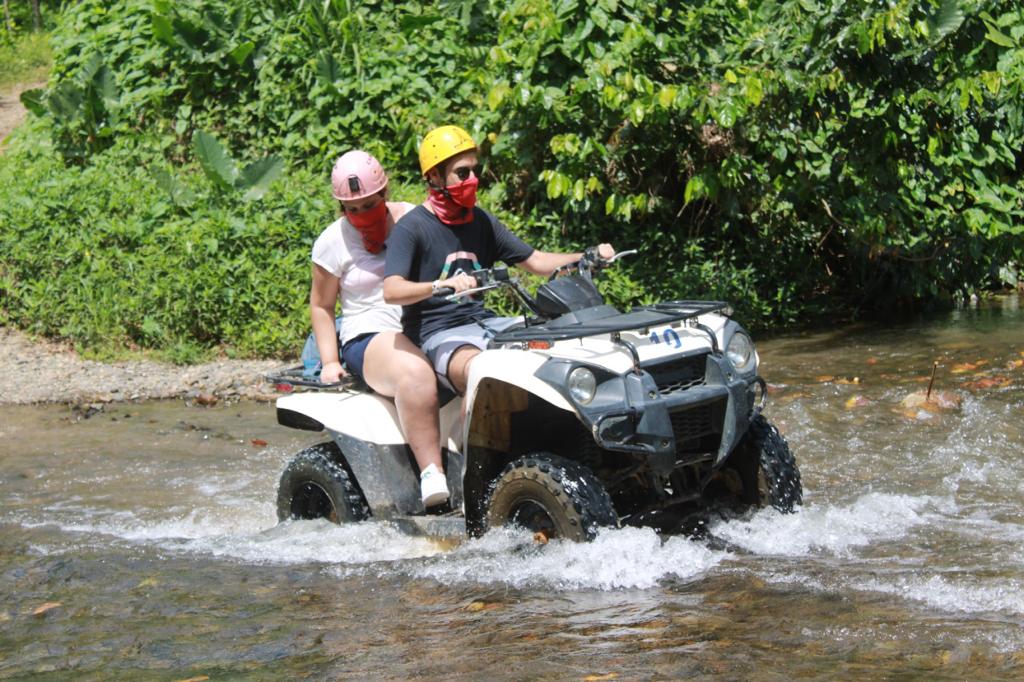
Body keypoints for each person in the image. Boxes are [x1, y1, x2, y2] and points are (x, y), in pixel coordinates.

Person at [383, 125, 614, 395]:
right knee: (482, 373)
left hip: (485, 322)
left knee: (562, 341)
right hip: (438, 333)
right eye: (462, 173)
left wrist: (587, 257)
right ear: (435, 176)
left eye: (475, 171)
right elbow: (392, 291)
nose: (473, 179)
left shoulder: (481, 221)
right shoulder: (411, 228)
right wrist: (440, 285)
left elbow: (536, 261)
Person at [309, 150, 450, 507]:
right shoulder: (332, 242)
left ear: (385, 192)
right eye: (352, 208)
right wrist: (330, 361)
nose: (361, 214)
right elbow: (322, 306)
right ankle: (432, 473)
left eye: (369, 205)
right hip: (368, 334)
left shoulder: (414, 219)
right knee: (414, 373)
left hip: (426, 322)